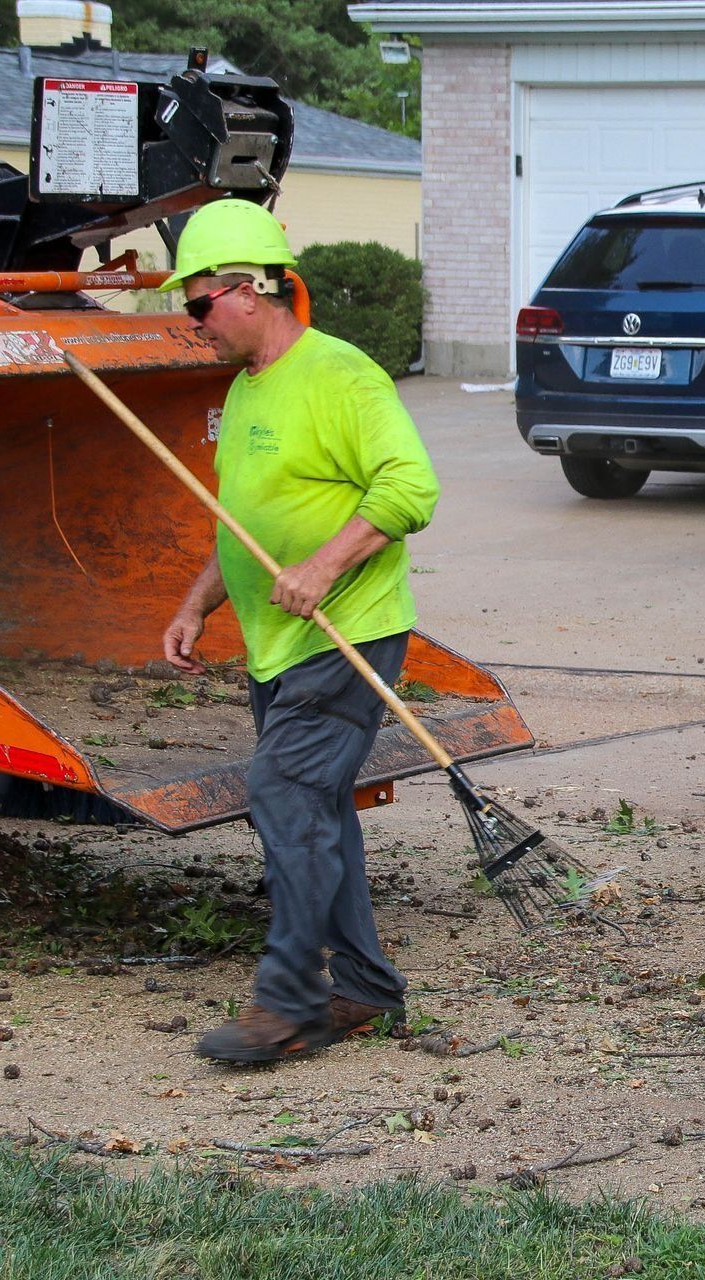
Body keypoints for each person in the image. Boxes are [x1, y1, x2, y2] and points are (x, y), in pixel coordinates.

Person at [157, 198, 441, 1064]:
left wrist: (323, 566)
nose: (191, 321)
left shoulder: (340, 375)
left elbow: (409, 490)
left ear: (248, 289)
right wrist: (200, 599)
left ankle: (289, 1006)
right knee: (316, 809)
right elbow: (244, 520)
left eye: (198, 304)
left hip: (344, 635)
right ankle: (364, 986)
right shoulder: (247, 390)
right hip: (277, 643)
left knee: (282, 794)